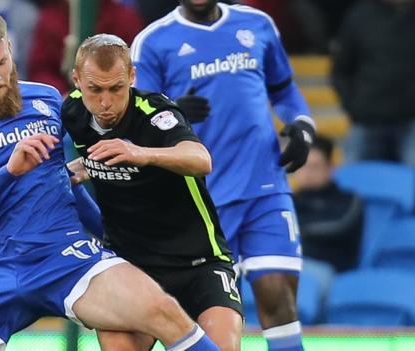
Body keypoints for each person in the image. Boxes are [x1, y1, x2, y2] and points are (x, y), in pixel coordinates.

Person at [0, 10, 221, 351]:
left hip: (63, 255)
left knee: (163, 310)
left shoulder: (47, 99)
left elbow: (65, 177)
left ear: (10, 49)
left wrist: (109, 237)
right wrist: (9, 172)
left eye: (1, 62)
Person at [130, 2, 316, 351]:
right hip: (200, 203)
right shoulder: (152, 42)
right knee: (193, 319)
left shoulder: (257, 24)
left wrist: (303, 125)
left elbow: (285, 90)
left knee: (278, 298)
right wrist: (171, 111)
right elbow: (133, 122)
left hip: (265, 187)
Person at [62, 34, 243, 351]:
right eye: (95, 89)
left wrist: (142, 154)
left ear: (132, 76)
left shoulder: (155, 113)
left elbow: (201, 160)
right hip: (130, 265)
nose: (106, 102)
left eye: (116, 88)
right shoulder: (72, 113)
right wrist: (81, 167)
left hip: (199, 262)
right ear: (77, 80)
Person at [331, 0, 415, 167]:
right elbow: (341, 70)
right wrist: (354, 107)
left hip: (412, 120)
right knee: (353, 184)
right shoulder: (360, 15)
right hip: (367, 120)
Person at [293, 135, 363, 273]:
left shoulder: (348, 200)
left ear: (330, 168)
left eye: (315, 167)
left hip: (331, 270)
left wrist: (295, 230)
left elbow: (337, 226)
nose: (307, 173)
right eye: (302, 166)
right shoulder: (291, 200)